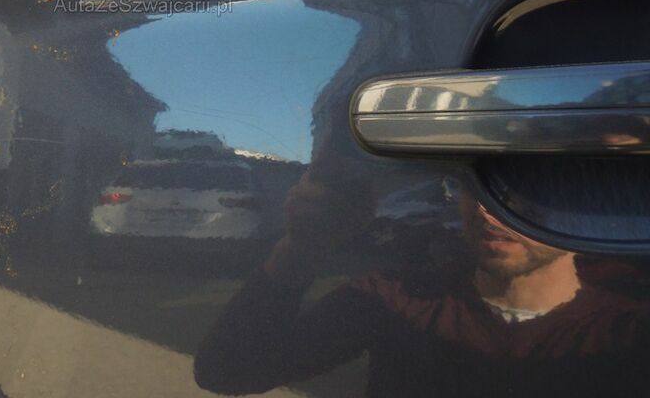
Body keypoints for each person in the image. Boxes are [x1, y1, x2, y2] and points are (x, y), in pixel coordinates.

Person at [195, 165, 650, 397]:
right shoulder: (397, 298)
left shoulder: (630, 327)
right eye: (476, 183)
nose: (491, 211)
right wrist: (301, 248)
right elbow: (230, 371)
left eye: (528, 185)